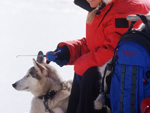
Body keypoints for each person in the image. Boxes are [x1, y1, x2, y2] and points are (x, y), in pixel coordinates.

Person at [45, 0, 150, 113]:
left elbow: (114, 50)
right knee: (85, 71)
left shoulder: (124, 9)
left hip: (124, 81)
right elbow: (94, 45)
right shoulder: (102, 8)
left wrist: (81, 64)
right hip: (111, 75)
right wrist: (67, 51)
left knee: (89, 74)